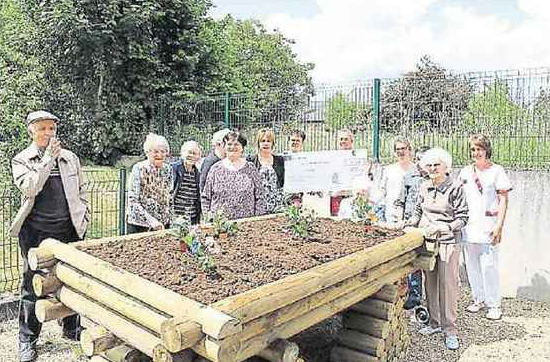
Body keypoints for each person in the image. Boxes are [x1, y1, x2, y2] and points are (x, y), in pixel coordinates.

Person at [10, 111, 89, 361]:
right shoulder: (22, 159)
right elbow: (31, 187)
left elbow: (82, 188)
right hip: (36, 232)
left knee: (72, 280)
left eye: (51, 129)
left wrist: (84, 215)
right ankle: (27, 339)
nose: (47, 133)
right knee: (32, 286)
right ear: (31, 131)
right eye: (42, 128)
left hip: (68, 230)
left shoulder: (70, 158)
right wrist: (46, 160)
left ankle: (71, 327)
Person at [402, 148, 469, 350]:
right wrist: (407, 225)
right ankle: (434, 323)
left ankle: (450, 330)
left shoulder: (455, 187)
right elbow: (417, 212)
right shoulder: (423, 187)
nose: (432, 168)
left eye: (436, 165)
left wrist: (446, 227)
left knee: (447, 285)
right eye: (429, 165)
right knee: (429, 282)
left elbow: (463, 218)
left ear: (445, 166)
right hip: (428, 240)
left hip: (448, 240)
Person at [459, 134, 512, 320]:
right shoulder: (465, 172)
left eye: (479, 148)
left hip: (489, 225)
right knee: (471, 265)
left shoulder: (497, 171)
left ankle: (494, 304)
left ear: (487, 150)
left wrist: (499, 226)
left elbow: (504, 199)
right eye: (473, 149)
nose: (476, 152)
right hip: (469, 226)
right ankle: (478, 298)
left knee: (489, 265)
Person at [394, 145, 430, 309]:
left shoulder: (435, 178)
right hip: (410, 224)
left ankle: (432, 299)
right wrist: (400, 220)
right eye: (420, 159)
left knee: (428, 262)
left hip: (428, 225)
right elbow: (401, 201)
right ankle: (414, 296)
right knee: (412, 262)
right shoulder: (409, 177)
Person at [202, 131, 266, 220]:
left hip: (247, 225)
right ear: (224, 147)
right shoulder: (215, 169)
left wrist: (256, 220)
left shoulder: (251, 168)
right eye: (229, 144)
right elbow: (205, 196)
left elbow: (260, 196)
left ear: (242, 148)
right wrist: (209, 218)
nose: (232, 147)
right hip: (220, 226)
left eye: (236, 144)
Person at [127, 133, 173, 234]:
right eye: (155, 151)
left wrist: (170, 220)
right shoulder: (139, 169)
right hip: (140, 224)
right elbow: (133, 201)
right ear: (147, 152)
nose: (159, 155)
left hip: (162, 224)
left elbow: (169, 197)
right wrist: (152, 221)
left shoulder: (168, 169)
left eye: (163, 151)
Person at [248, 128, 285, 213]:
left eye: (268, 141)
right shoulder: (251, 160)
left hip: (277, 205)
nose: (266, 143)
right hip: (258, 205)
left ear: (272, 143)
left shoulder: (280, 160)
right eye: (263, 141)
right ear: (258, 143)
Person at [380, 138, 415, 222]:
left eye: (403, 148)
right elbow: (382, 191)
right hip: (391, 213)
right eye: (398, 149)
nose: (400, 152)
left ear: (409, 150)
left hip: (410, 214)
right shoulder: (388, 170)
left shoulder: (416, 170)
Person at [172, 141, 202, 224]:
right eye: (189, 152)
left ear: (199, 156)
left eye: (195, 153)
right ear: (182, 153)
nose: (191, 156)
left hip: (191, 218)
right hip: (175, 217)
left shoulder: (198, 174)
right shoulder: (173, 169)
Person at [329, 128, 355, 216]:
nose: (343, 141)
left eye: (346, 139)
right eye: (341, 139)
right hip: (336, 195)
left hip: (352, 195)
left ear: (352, 141)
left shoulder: (358, 157)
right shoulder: (331, 158)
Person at [200, 128, 231, 192]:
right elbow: (203, 185)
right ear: (219, 144)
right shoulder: (210, 162)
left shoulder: (228, 160)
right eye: (228, 143)